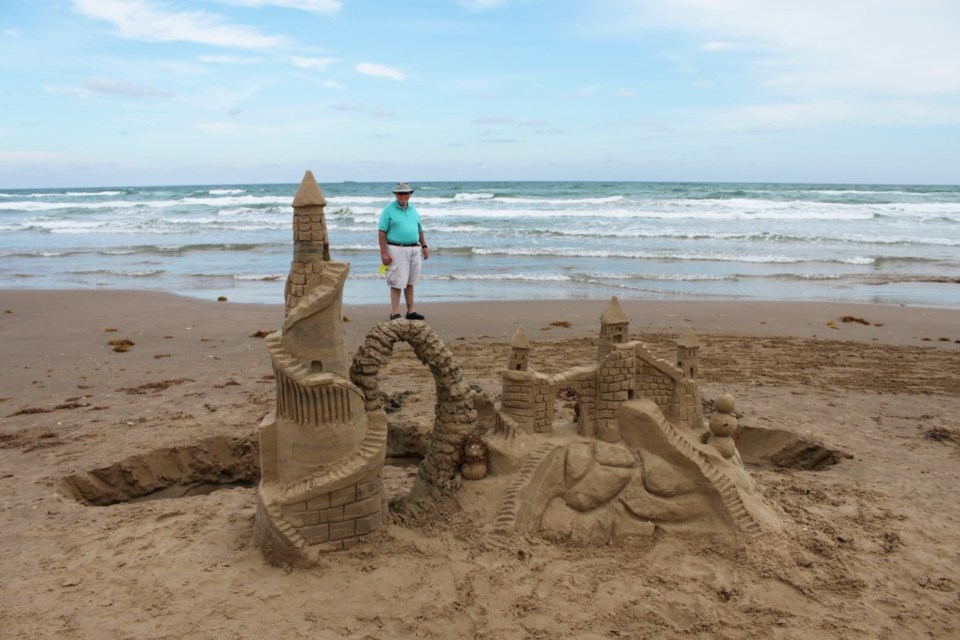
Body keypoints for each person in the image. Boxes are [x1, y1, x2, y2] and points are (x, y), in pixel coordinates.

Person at [378, 182, 429, 320]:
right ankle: (395, 313)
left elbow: (419, 229)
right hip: (396, 249)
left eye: (406, 193)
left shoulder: (413, 209)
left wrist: (424, 246)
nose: (403, 196)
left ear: (410, 194)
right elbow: (382, 232)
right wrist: (383, 253)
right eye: (400, 193)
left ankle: (411, 311)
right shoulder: (389, 210)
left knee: (411, 281)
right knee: (396, 281)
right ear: (396, 194)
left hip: (414, 248)